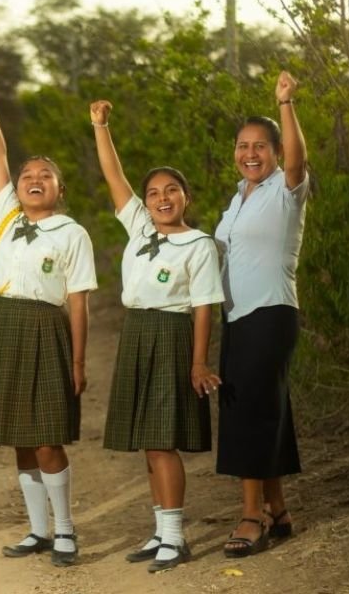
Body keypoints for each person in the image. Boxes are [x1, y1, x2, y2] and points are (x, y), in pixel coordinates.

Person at [0, 71, 96, 568]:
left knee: (45, 436)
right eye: (27, 176)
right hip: (2, 325)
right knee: (18, 434)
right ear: (17, 188)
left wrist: (78, 362)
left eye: (44, 176)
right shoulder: (8, 218)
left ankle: (65, 530)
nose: (33, 181)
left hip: (45, 329)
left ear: (60, 188)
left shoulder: (71, 233)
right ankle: (37, 530)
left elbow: (78, 301)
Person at [89, 100, 224, 572]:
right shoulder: (141, 230)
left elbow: (205, 305)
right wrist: (100, 126)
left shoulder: (199, 244)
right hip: (137, 332)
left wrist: (199, 361)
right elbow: (114, 178)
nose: (162, 198)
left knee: (164, 441)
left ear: (186, 196)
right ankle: (160, 531)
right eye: (153, 193)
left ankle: (175, 538)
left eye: (171, 191)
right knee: (149, 440)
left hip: (172, 334)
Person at [213, 70, 309, 557]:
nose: (251, 153)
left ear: (274, 152)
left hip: (271, 314)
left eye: (261, 147)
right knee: (263, 410)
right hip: (238, 318)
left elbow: (298, 158)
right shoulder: (237, 197)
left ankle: (251, 517)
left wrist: (285, 104)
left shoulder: (285, 190)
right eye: (243, 145)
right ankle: (279, 509)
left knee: (248, 413)